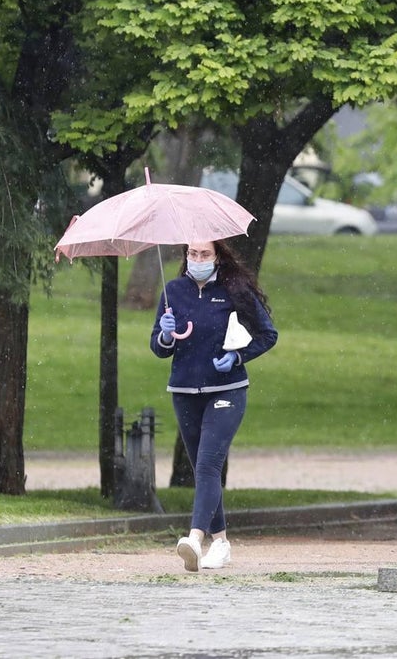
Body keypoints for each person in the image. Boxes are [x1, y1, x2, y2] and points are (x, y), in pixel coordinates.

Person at [150, 240, 278, 572]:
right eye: (193, 254)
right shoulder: (173, 292)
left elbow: (268, 334)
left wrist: (237, 356)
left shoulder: (234, 291)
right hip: (184, 391)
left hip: (227, 389)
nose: (198, 259)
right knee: (201, 469)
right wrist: (165, 335)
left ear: (217, 256)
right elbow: (159, 348)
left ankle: (194, 538)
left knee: (208, 465)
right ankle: (220, 543)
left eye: (205, 254)